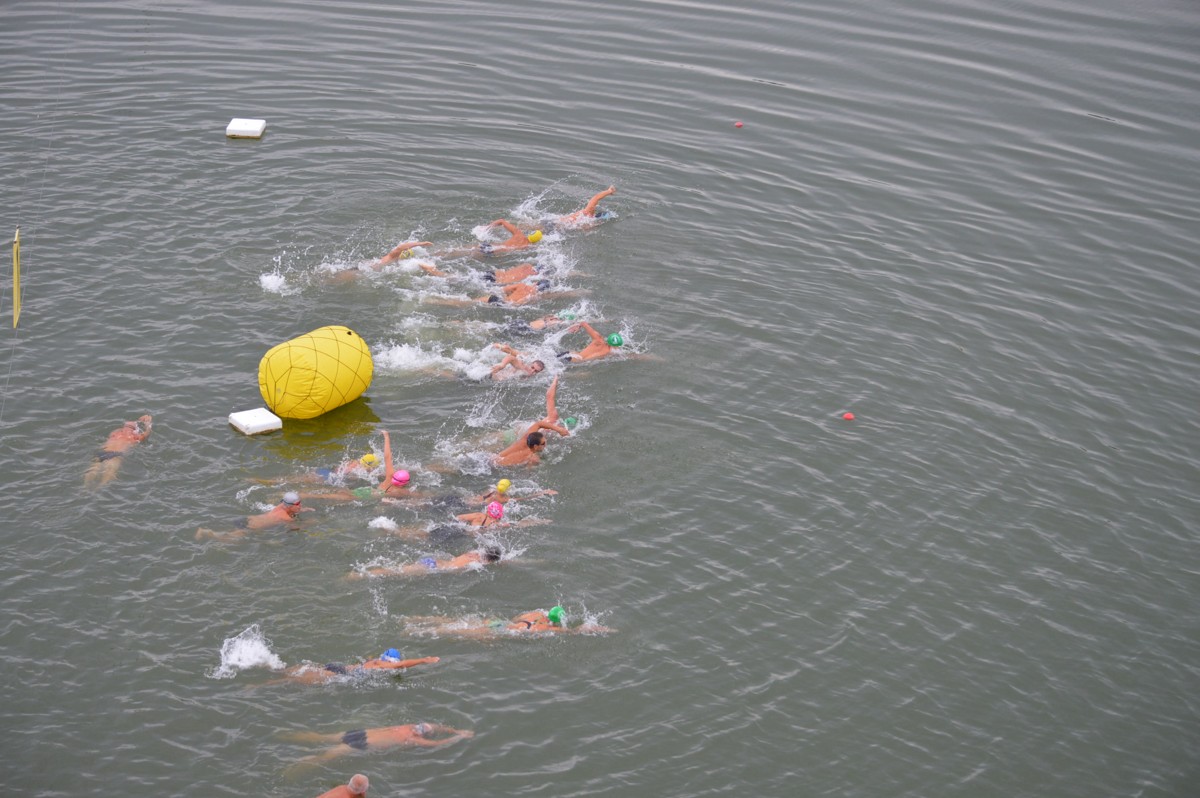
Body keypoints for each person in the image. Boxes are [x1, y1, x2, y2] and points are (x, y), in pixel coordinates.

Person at [289, 723, 474, 765]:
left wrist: (457, 732)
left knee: (320, 738)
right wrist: (459, 735)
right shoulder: (413, 737)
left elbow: (435, 732)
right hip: (362, 741)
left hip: (360, 734)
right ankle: (299, 763)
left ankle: (287, 736)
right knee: (325, 756)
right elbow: (438, 743)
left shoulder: (408, 728)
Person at [493, 376, 571, 467]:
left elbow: (539, 423)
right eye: (544, 443)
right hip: (513, 438)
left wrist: (555, 380)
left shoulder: (527, 438)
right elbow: (549, 396)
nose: (545, 442)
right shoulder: (553, 419)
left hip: (503, 449)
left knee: (490, 446)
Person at [404, 605, 611, 638]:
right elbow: (573, 632)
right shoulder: (545, 628)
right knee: (459, 631)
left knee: (459, 621)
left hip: (500, 622)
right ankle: (417, 631)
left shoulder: (536, 614)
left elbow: (516, 619)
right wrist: (594, 628)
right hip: (501, 631)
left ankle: (418, 619)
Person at [271, 648, 440, 685]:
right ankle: (268, 682)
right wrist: (424, 660)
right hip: (340, 674)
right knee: (296, 680)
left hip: (340, 668)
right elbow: (403, 664)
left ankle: (276, 668)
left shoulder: (375, 661)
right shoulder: (381, 665)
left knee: (303, 669)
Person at [195, 492, 312, 542]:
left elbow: (292, 509)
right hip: (250, 527)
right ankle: (205, 532)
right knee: (230, 540)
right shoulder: (285, 518)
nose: (300, 505)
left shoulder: (281, 506)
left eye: (300, 503)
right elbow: (296, 527)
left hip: (247, 519)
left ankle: (211, 535)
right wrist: (312, 522)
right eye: (298, 504)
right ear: (289, 505)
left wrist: (304, 509)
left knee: (229, 536)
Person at [351, 545, 504, 579]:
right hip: (433, 567)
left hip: (434, 562)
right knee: (395, 572)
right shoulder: (478, 563)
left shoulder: (473, 553)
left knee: (398, 569)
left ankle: (367, 573)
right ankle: (362, 575)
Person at [84, 415, 153, 489]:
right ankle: (98, 488)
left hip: (102, 452)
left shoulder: (115, 433)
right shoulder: (133, 437)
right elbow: (147, 434)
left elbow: (126, 427)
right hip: (115, 455)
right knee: (109, 472)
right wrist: (148, 424)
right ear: (134, 430)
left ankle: (84, 487)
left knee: (93, 469)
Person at [548, 185, 616, 230]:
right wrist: (609, 191)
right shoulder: (588, 213)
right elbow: (596, 198)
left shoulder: (587, 221)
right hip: (554, 225)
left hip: (554, 223)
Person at [558, 322, 623, 362]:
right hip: (571, 359)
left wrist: (578, 326)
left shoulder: (599, 340)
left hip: (570, 355)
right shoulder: (607, 350)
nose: (618, 347)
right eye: (617, 346)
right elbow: (584, 323)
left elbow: (584, 323)